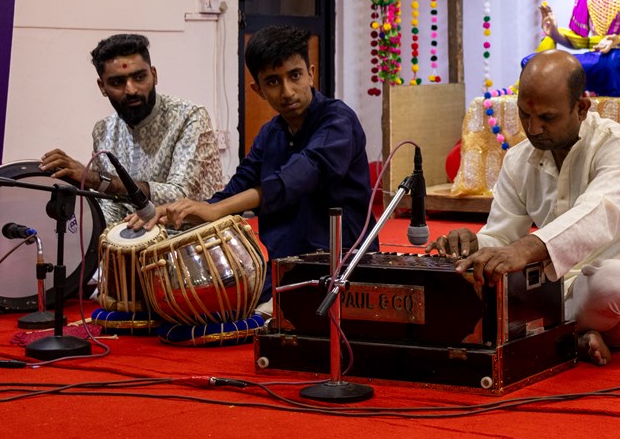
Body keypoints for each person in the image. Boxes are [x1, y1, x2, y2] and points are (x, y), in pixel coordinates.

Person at [429, 50, 620, 365]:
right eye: (525, 114)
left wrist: (525, 248)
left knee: (613, 281)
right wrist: (474, 245)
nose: (533, 128)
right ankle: (568, 337)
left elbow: (598, 213)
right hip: (552, 294)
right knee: (480, 279)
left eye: (547, 118)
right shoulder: (519, 159)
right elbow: (501, 237)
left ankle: (546, 332)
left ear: (581, 108)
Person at [133, 26, 374, 294]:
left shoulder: (338, 120)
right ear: (258, 90)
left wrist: (216, 210)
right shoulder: (269, 134)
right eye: (273, 82)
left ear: (311, 74)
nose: (287, 91)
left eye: (295, 75)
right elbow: (233, 194)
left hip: (344, 270)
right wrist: (174, 211)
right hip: (283, 270)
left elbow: (300, 176)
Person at [39, 34, 223, 227]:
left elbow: (179, 196)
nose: (131, 90)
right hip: (130, 239)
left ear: (154, 75)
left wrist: (97, 180)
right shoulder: (103, 131)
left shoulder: (189, 117)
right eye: (117, 82)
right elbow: (112, 205)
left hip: (191, 240)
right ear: (102, 86)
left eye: (140, 77)